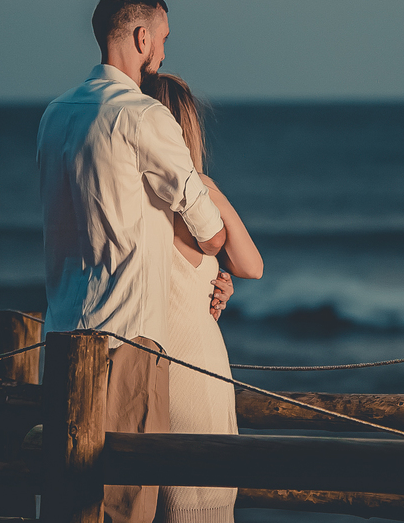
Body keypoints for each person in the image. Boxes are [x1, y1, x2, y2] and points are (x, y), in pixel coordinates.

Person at [37, 0, 227, 523]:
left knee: (69, 503)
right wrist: (211, 258)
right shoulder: (144, 116)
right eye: (162, 38)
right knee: (126, 505)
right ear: (142, 37)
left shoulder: (55, 115)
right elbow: (208, 227)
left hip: (62, 335)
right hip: (128, 339)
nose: (163, 53)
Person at [141, 73, 263, 523]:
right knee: (200, 507)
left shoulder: (126, 194)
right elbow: (252, 266)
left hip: (143, 359)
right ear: (185, 125)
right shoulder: (198, 191)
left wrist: (210, 277)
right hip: (195, 363)